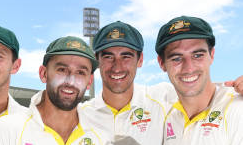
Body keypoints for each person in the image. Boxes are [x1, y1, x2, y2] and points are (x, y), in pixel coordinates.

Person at [79, 21, 243, 145]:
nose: (117, 67)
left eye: (126, 56)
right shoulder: (79, 115)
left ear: (140, 60)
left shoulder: (162, 99)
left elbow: (201, 88)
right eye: (108, 57)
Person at [0, 36, 106, 145]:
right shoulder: (8, 128)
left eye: (80, 72)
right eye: (62, 70)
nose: (70, 81)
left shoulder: (101, 135)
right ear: (44, 74)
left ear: (89, 81)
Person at [156, 16, 243, 144]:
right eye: (176, 58)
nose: (189, 68)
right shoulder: (164, 116)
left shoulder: (238, 109)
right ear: (161, 63)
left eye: (197, 55)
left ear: (211, 55)